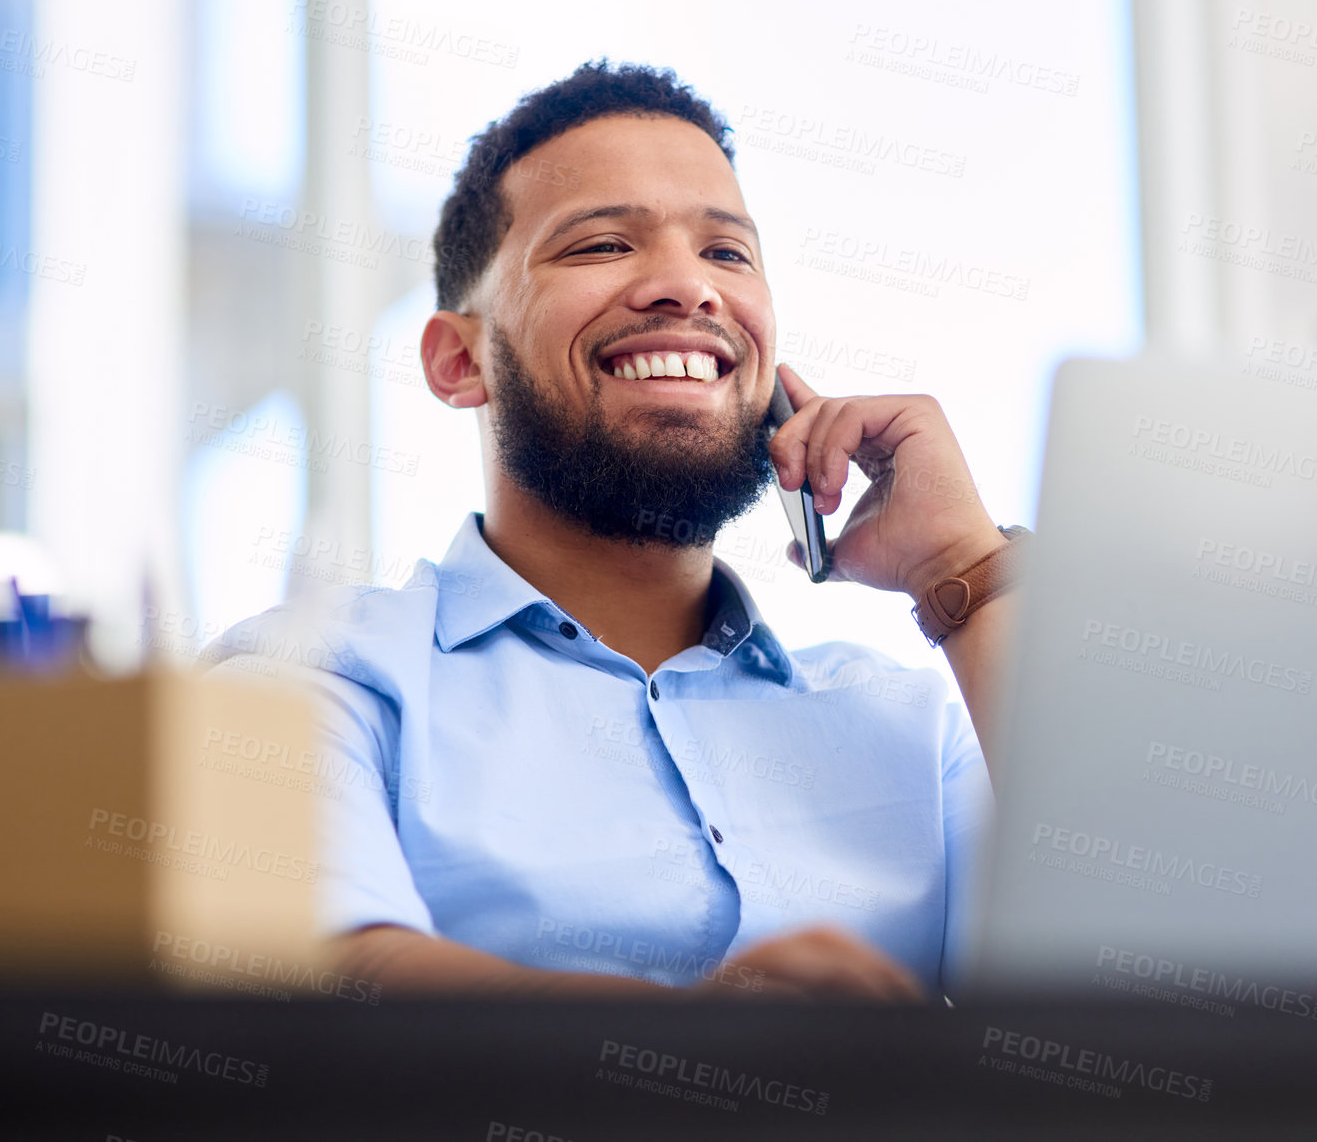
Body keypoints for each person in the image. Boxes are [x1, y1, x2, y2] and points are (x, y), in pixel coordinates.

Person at [203, 61, 1025, 1002]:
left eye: (726, 254)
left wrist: (967, 574)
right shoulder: (309, 678)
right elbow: (330, 981)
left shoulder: (916, 730)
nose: (687, 287)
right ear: (459, 359)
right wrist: (689, 1053)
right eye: (600, 246)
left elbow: (1160, 999)